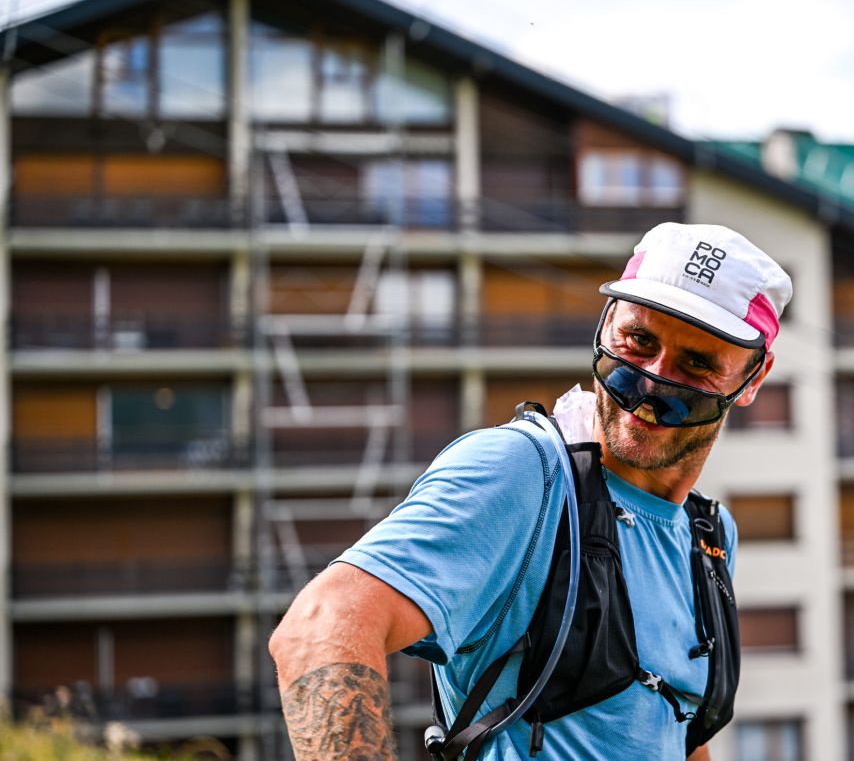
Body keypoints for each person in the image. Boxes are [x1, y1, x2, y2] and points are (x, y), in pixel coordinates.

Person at [268, 222, 793, 760]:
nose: (651, 384)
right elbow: (322, 625)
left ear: (752, 379)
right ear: (606, 325)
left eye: (697, 364)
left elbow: (671, 735)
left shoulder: (708, 536)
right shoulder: (527, 476)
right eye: (638, 342)